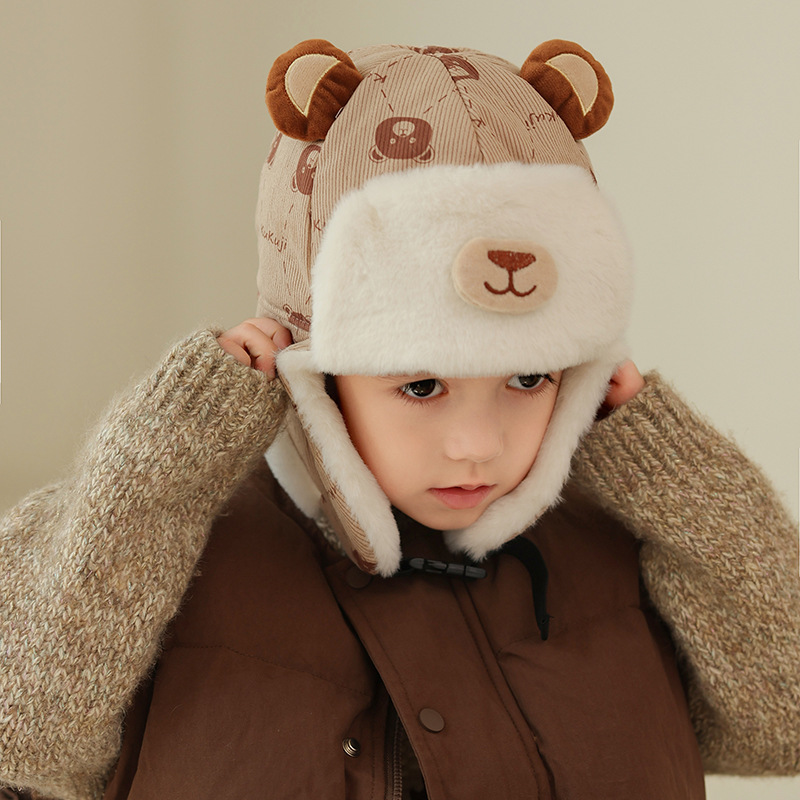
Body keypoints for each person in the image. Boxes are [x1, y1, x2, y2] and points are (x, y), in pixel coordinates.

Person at [1, 38, 798, 800]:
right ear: (314, 363)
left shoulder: (618, 546)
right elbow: (28, 733)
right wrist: (161, 461)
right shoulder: (166, 538)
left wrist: (685, 485)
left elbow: (780, 726)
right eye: (420, 386)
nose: (479, 446)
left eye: (529, 376)